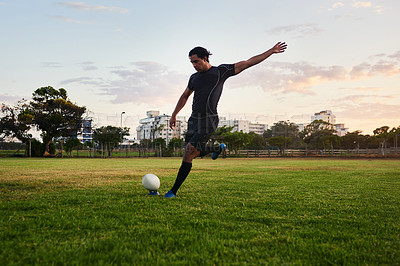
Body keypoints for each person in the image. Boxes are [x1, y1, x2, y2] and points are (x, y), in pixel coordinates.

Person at [164, 42, 287, 198]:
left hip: (209, 119)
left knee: (189, 151)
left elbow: (248, 63)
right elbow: (184, 96)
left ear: (205, 58)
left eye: (196, 61)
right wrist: (174, 114)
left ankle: (173, 191)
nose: (194, 65)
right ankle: (216, 149)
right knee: (192, 152)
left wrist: (271, 51)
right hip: (194, 119)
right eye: (191, 62)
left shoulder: (220, 71)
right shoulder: (193, 77)